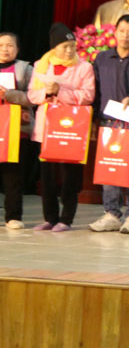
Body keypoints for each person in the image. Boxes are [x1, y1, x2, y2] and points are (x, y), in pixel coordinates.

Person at [88, 14, 129, 235]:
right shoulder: (102, 58)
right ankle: (112, 214)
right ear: (115, 32)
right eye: (122, 31)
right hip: (108, 121)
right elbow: (96, 91)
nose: (126, 36)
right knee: (110, 167)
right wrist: (94, 120)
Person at [28, 23, 95, 232]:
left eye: (72, 46)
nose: (69, 51)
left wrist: (60, 91)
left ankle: (66, 218)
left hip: (70, 128)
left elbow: (88, 95)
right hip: (47, 127)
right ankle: (50, 217)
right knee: (47, 175)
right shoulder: (41, 65)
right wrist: (47, 93)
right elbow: (32, 95)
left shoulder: (84, 67)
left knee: (69, 175)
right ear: (54, 47)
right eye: (64, 46)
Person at [0, 32, 36, 230]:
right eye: (1, 45)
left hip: (15, 130)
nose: (5, 49)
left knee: (13, 176)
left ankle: (13, 216)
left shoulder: (25, 69)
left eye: (9, 45)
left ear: (17, 49)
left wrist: (10, 95)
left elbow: (33, 97)